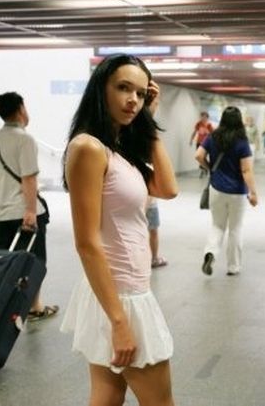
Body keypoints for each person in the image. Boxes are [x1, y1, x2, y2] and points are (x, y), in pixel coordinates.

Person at [60, 54, 178, 406]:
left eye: (141, 94)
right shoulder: (87, 148)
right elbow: (86, 243)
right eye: (123, 88)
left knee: (107, 396)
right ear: (101, 89)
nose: (133, 100)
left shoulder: (117, 149)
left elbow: (168, 188)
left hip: (120, 291)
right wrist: (119, 321)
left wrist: (149, 123)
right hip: (121, 297)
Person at [0, 91, 58, 321]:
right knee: (32, 263)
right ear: (21, 109)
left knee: (3, 264)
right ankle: (33, 308)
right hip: (23, 214)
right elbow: (29, 179)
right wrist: (31, 210)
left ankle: (4, 309)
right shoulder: (25, 139)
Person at [195, 106, 258, 276]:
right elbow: (246, 170)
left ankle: (210, 254)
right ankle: (233, 267)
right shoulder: (242, 142)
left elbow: (199, 155)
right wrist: (253, 193)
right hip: (237, 192)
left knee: (217, 225)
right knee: (235, 228)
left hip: (216, 188)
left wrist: (210, 168)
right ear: (239, 121)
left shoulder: (213, 136)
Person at [189, 111, 214, 177]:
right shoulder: (198, 124)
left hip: (206, 144)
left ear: (207, 118)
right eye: (202, 116)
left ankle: (205, 168)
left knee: (203, 156)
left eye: (205, 117)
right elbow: (194, 132)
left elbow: (213, 134)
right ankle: (203, 168)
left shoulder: (209, 125)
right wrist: (191, 139)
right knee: (199, 156)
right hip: (199, 142)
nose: (203, 118)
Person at [146, 197, 168, 268]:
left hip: (136, 204)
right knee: (153, 232)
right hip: (150, 204)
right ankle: (154, 258)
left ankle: (153, 258)